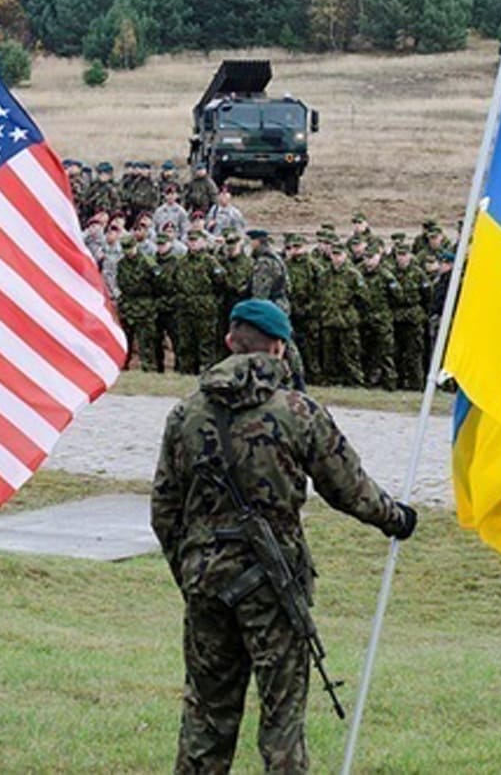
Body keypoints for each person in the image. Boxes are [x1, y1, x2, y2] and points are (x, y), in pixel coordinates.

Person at [151, 299, 416, 773]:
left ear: (230, 341)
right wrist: (396, 518)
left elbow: (164, 510)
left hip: (206, 580)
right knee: (282, 722)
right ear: (279, 348)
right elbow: (350, 489)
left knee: (206, 716)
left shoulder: (185, 414)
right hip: (272, 584)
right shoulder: (298, 412)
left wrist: (191, 569)